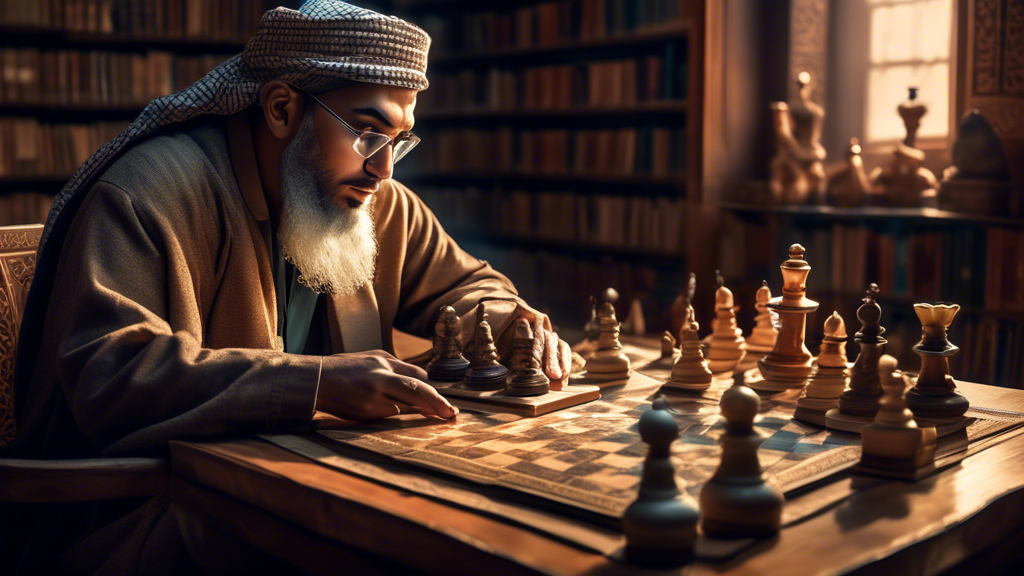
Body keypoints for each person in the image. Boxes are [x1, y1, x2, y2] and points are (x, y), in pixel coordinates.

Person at [4, 1, 571, 571]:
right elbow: (113, 378)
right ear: (282, 108)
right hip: (144, 513)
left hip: (292, 486)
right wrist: (317, 385)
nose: (384, 171)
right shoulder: (149, 191)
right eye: (369, 134)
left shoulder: (375, 202)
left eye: (399, 141)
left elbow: (470, 286)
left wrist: (510, 325)